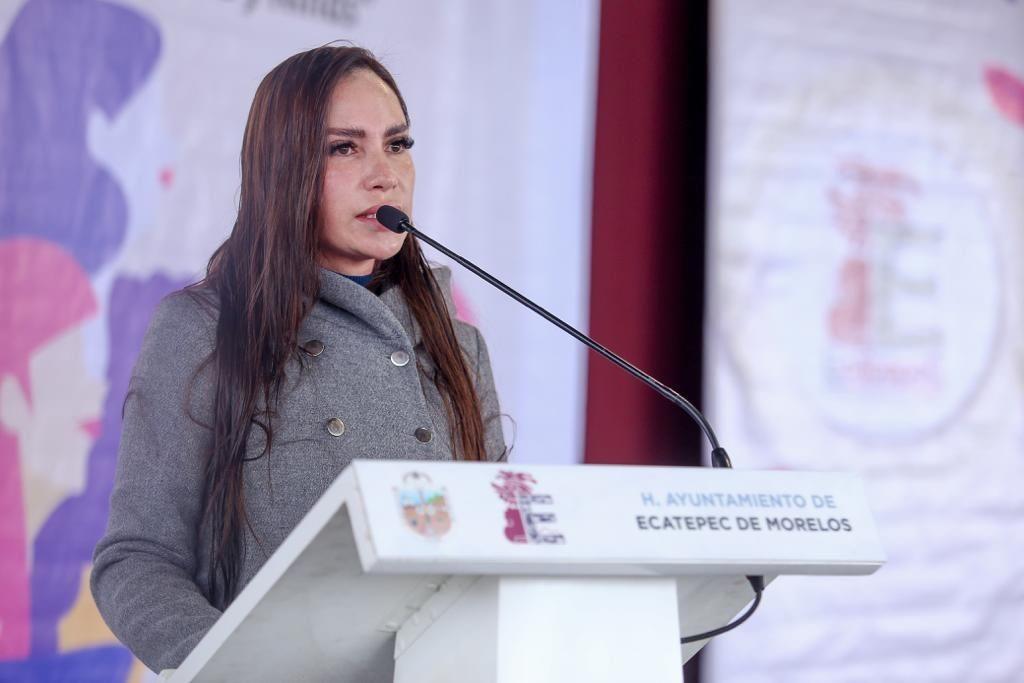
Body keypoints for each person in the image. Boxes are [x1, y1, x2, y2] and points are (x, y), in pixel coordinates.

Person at [90, 46, 507, 676]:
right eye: (345, 147)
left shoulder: (460, 348)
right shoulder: (204, 331)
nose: (384, 174)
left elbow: (495, 556)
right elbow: (137, 560)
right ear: (283, 168)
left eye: (398, 143)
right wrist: (235, 670)